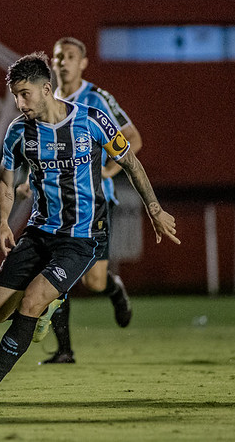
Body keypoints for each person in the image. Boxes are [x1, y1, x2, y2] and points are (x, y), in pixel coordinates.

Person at [0, 52, 179, 405]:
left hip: (80, 238)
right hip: (38, 232)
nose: (19, 103)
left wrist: (154, 209)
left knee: (31, 302)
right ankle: (51, 303)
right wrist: (2, 221)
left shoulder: (93, 120)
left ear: (46, 89)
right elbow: (5, 183)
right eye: (15, 95)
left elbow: (130, 162)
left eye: (25, 94)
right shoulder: (19, 131)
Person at [31, 36, 143, 364]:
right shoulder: (46, 101)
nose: (62, 61)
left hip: (93, 203)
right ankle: (64, 349)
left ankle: (113, 287)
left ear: (82, 63)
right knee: (53, 272)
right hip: (54, 204)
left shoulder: (97, 98)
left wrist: (108, 171)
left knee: (93, 281)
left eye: (69, 56)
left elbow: (133, 139)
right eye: (57, 56)